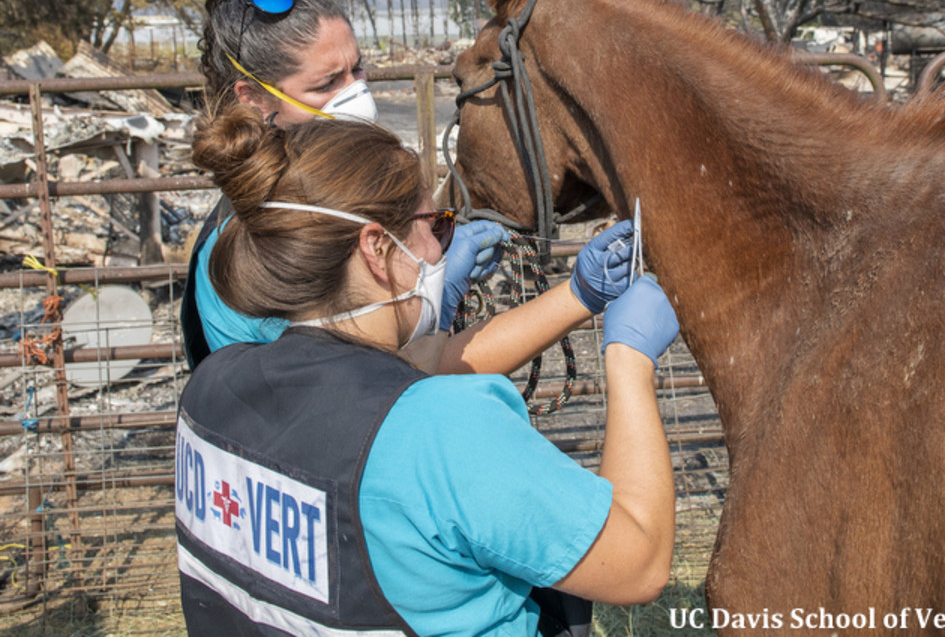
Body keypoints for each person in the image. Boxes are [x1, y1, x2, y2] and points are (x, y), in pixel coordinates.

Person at [175, 105, 680, 636]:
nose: (442, 244)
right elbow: (640, 563)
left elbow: (397, 380)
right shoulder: (444, 432)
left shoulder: (212, 387)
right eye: (436, 224)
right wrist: (628, 359)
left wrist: (580, 296)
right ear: (376, 249)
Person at [180, 0, 508, 368]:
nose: (359, 97)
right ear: (253, 99)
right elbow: (359, 382)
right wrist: (437, 300)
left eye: (357, 70)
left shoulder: (320, 197)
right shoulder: (259, 235)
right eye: (327, 83)